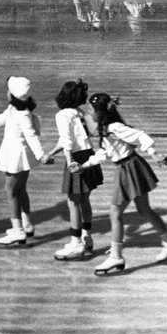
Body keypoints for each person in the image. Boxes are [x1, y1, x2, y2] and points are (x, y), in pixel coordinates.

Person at [84, 92, 167, 274]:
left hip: (128, 168)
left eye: (91, 109)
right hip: (131, 166)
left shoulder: (115, 127)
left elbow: (141, 136)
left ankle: (116, 257)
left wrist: (153, 153)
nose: (88, 112)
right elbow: (104, 152)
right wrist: (86, 165)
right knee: (144, 209)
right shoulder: (107, 127)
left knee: (115, 213)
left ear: (100, 112)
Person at [0, 76, 51, 247]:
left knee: (10, 190)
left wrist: (41, 155)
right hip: (19, 156)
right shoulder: (14, 110)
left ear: (12, 95)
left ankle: (18, 230)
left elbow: (31, 136)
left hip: (16, 156)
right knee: (20, 190)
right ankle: (26, 224)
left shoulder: (22, 114)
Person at [50, 78, 104, 261]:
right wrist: (51, 152)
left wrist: (69, 161)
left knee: (73, 201)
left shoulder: (62, 115)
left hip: (75, 157)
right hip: (89, 154)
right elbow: (78, 136)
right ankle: (86, 237)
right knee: (84, 199)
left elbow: (67, 141)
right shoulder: (79, 113)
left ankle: (75, 243)